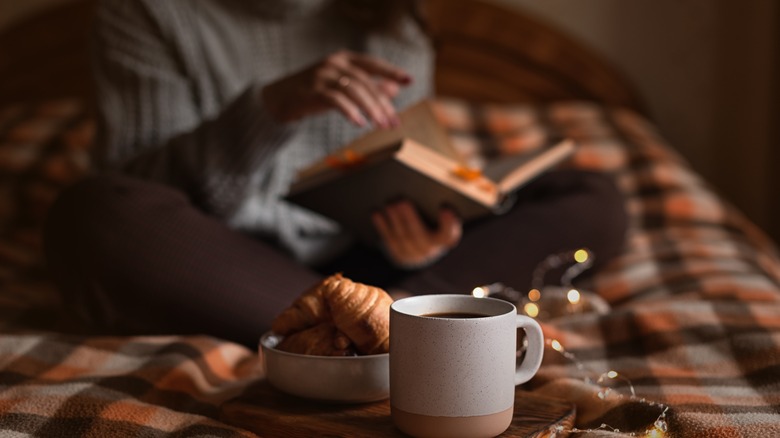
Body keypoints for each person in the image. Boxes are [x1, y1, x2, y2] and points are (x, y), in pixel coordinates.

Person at [43, 0, 628, 347]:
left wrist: (424, 232)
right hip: (224, 264)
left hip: (362, 263)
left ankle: (380, 324)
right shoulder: (147, 13)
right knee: (89, 213)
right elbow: (141, 189)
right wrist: (270, 110)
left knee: (590, 196)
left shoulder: (389, 16)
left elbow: (397, 165)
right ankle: (403, 323)